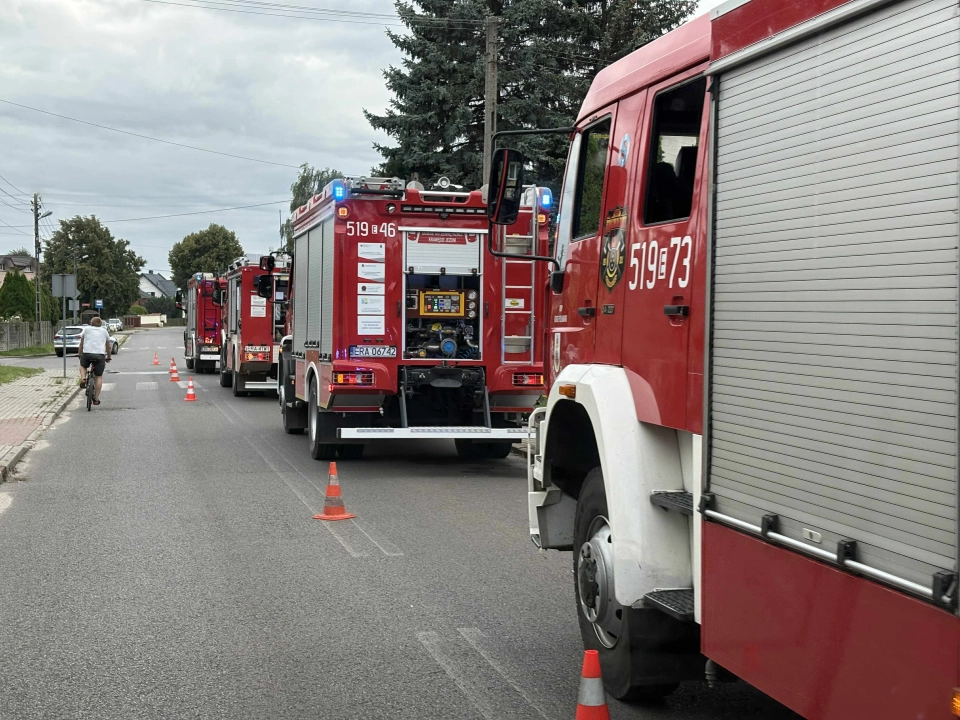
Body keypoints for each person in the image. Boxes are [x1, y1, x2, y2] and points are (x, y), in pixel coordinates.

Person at [77, 317, 112, 405]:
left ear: (91, 323)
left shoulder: (86, 330)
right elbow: (108, 346)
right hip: (100, 355)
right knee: (99, 376)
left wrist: (79, 354)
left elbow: (81, 343)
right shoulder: (104, 331)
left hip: (87, 354)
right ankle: (96, 398)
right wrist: (108, 356)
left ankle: (83, 378)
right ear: (100, 324)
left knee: (83, 366)